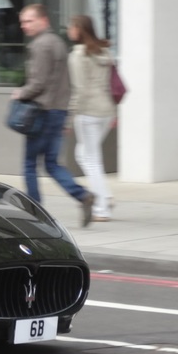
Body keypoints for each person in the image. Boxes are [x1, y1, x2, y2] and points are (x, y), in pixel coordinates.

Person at [12, 4, 95, 227]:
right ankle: (82, 195)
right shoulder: (59, 43)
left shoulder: (40, 45)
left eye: (28, 21)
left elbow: (38, 83)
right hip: (58, 111)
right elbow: (65, 83)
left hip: (41, 113)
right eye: (22, 22)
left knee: (30, 164)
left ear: (43, 20)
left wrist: (21, 93)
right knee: (51, 163)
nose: (24, 26)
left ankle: (35, 213)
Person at [66, 15, 116, 221]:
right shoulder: (104, 51)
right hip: (106, 110)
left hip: (88, 113)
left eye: (71, 26)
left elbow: (80, 90)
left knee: (91, 159)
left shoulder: (78, 55)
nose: (69, 30)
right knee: (83, 153)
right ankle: (105, 195)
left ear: (79, 30)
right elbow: (111, 85)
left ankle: (101, 208)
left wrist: (69, 118)